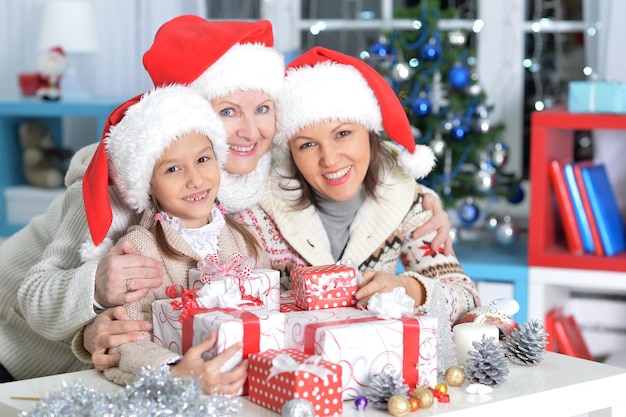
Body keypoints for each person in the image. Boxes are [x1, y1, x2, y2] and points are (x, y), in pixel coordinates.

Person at [10, 17, 450, 381]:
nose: (250, 131)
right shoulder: (120, 181)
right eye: (227, 112)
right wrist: (93, 302)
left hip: (145, 372)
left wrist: (421, 194)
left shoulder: (259, 171)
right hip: (17, 351)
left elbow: (336, 153)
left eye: (262, 109)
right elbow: (33, 296)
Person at [239, 46, 479, 322]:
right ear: (290, 152)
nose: (329, 159)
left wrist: (409, 289)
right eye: (307, 144)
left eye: (342, 133)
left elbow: (466, 298)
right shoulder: (259, 213)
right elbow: (237, 311)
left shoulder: (409, 200)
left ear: (368, 131)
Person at [89, 84, 266, 393]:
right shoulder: (139, 249)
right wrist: (175, 370)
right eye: (172, 169)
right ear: (148, 186)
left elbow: (272, 308)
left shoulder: (244, 238)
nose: (195, 179)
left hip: (245, 383)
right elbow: (127, 337)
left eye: (203, 160)